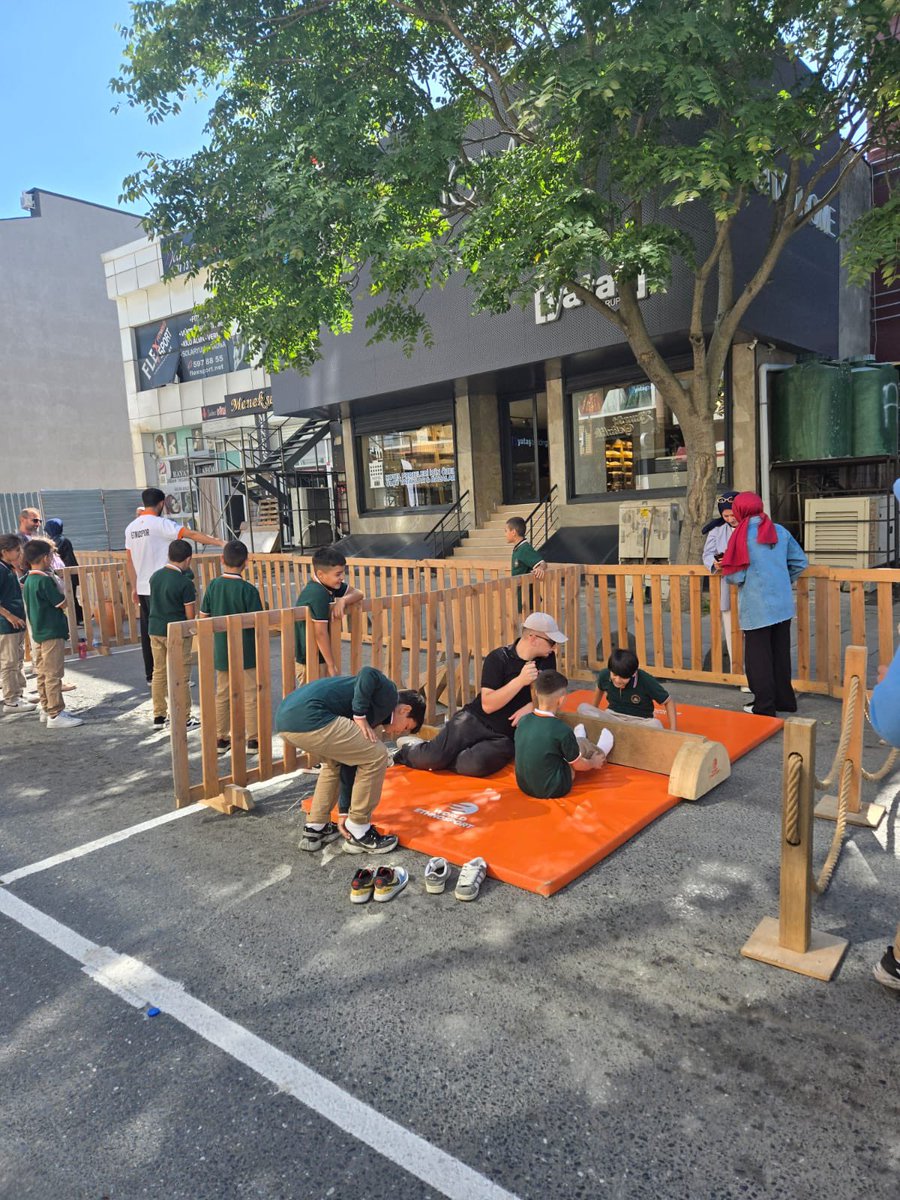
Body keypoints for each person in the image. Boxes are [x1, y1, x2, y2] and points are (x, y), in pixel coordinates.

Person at [394, 612, 565, 778]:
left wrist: (531, 707)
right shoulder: (498, 658)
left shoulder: (547, 659)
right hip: (474, 719)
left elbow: (551, 697)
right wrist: (520, 680)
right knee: (432, 758)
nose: (554, 648)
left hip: (504, 736)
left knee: (473, 765)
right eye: (551, 642)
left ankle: (442, 755)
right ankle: (409, 751)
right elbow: (488, 705)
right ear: (533, 638)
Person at [274, 665, 425, 853]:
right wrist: (359, 715)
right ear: (404, 710)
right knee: (378, 755)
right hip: (311, 716)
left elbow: (348, 762)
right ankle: (360, 830)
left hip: (286, 721)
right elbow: (368, 673)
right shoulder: (389, 694)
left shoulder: (376, 711)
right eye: (406, 727)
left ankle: (315, 828)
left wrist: (344, 811)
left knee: (334, 764)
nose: (399, 733)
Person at [125, 487, 225, 685]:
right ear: (161, 503)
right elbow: (192, 534)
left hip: (144, 587)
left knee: (150, 631)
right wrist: (220, 542)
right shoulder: (161, 524)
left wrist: (134, 585)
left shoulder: (131, 528)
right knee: (174, 629)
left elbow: (129, 559)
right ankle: (178, 675)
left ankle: (152, 676)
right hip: (165, 585)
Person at [720, 491, 808, 717]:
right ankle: (785, 701)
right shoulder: (779, 531)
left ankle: (764, 706)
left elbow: (736, 576)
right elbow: (800, 562)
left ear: (739, 511)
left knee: (758, 659)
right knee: (780, 654)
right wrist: (781, 579)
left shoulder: (740, 536)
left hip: (756, 605)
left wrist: (724, 568)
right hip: (782, 604)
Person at [199, 539, 264, 753]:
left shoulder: (214, 586)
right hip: (246, 650)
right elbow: (258, 621)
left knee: (223, 693)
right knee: (250, 693)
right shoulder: (249, 590)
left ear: (221, 559)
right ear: (246, 562)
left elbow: (204, 616)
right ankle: (253, 739)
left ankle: (221, 737)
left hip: (221, 649)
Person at [515, 669, 614, 799]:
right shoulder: (561, 729)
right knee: (581, 745)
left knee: (562, 745)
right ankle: (601, 751)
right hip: (554, 788)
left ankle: (579, 738)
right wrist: (593, 763)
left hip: (524, 785)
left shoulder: (523, 721)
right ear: (561, 700)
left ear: (536, 692)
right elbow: (578, 766)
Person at [21, 539, 82, 729]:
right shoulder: (45, 580)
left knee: (42, 672)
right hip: (51, 631)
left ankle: (46, 708)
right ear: (45, 557)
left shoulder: (28, 579)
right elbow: (61, 602)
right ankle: (56, 713)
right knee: (53, 673)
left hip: (38, 632)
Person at [147, 539, 199, 730]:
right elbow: (189, 615)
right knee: (181, 674)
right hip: (175, 631)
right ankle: (183, 717)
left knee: (158, 672)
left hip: (155, 628)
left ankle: (159, 716)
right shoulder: (184, 583)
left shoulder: (155, 576)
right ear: (188, 559)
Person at [294, 545, 364, 685]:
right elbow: (320, 633)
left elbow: (359, 593)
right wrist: (331, 665)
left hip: (320, 655)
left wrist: (343, 600)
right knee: (313, 699)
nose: (342, 578)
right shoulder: (317, 594)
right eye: (338, 574)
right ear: (321, 574)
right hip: (311, 658)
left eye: (342, 573)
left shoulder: (328, 585)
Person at [578, 647, 677, 730]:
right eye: (614, 675)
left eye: (623, 677)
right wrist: (594, 713)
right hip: (613, 717)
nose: (617, 680)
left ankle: (616, 733)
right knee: (583, 708)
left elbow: (668, 701)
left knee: (656, 725)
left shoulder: (646, 680)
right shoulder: (605, 674)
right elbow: (599, 690)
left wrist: (673, 731)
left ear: (633, 674)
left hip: (639, 721)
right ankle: (617, 732)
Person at [701, 489, 744, 680]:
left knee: (751, 633)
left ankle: (753, 673)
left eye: (733, 514)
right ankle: (738, 672)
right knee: (730, 628)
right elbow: (707, 553)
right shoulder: (717, 530)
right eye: (725, 515)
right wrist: (714, 563)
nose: (730, 519)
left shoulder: (751, 527)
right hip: (728, 583)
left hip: (749, 584)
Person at [0, 534, 34, 716]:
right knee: (9, 662)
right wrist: (10, 616)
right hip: (7, 624)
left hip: (16, 623)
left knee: (18, 659)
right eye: (17, 549)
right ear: (5, 552)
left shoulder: (9, 568)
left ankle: (19, 693)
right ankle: (11, 700)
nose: (20, 552)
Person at [44, 517, 83, 625]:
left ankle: (77, 619)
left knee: (69, 596)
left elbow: (55, 552)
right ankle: (79, 617)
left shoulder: (59, 540)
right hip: (67, 573)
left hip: (67, 573)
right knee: (70, 596)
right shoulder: (60, 539)